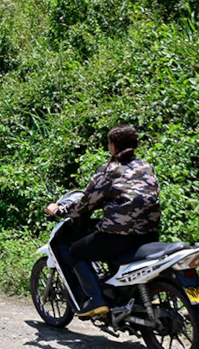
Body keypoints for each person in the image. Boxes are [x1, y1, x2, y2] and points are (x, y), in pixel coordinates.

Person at [45, 124, 161, 318]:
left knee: (75, 250)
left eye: (109, 143)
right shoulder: (146, 167)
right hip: (149, 235)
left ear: (113, 145)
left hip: (118, 237)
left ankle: (96, 300)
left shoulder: (110, 170)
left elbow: (85, 204)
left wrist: (58, 210)